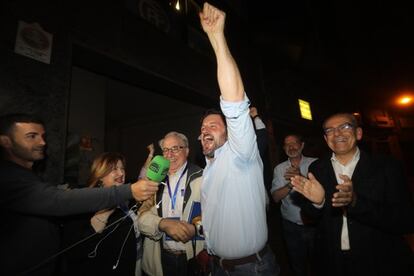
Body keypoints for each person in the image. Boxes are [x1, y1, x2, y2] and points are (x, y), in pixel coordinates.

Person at [0, 113, 158, 275]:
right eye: (31, 136)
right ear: (6, 141)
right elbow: (59, 204)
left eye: (42, 136)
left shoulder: (28, 177)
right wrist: (127, 192)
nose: (42, 142)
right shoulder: (6, 178)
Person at [198, 3, 279, 275]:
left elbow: (234, 103)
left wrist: (217, 38)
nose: (205, 130)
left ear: (231, 131)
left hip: (252, 269)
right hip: (219, 268)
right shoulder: (208, 169)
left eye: (213, 125)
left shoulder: (240, 153)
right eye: (203, 127)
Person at [291, 113, 414, 276]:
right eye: (330, 130)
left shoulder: (387, 167)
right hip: (332, 261)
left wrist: (355, 202)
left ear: (359, 133)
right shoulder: (317, 169)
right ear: (326, 139)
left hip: (378, 260)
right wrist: (317, 203)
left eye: (345, 127)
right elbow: (311, 218)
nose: (337, 133)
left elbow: (405, 221)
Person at [62, 152, 142, 276]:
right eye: (114, 169)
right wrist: (103, 216)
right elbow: (74, 252)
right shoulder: (84, 203)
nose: (121, 173)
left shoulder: (126, 199)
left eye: (122, 168)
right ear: (100, 175)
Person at [138, 131, 203, 276]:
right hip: (160, 259)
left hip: (193, 259)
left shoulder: (203, 178)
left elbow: (216, 219)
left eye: (175, 148)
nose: (169, 154)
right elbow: (141, 216)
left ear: (186, 151)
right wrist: (162, 223)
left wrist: (195, 229)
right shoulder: (154, 180)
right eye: (166, 150)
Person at [270, 134, 317, 276]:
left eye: (295, 143)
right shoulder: (279, 169)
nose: (291, 147)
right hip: (291, 226)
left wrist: (300, 177)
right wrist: (291, 184)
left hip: (314, 224)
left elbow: (322, 193)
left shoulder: (315, 164)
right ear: (284, 149)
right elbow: (275, 198)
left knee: (319, 263)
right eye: (287, 144)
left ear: (302, 145)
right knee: (297, 264)